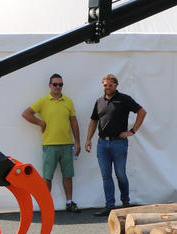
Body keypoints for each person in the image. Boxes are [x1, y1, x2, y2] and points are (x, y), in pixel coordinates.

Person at [85, 74, 147, 216]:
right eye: (105, 85)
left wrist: (132, 131)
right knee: (106, 176)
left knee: (120, 174)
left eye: (110, 85)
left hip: (118, 143)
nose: (107, 87)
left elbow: (142, 112)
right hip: (102, 144)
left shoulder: (124, 99)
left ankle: (125, 202)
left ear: (116, 85)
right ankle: (110, 206)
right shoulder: (99, 101)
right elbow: (94, 121)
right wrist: (88, 139)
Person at [21, 73, 82, 213]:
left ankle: (69, 202)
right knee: (47, 177)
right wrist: (40, 122)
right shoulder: (43, 101)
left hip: (67, 144)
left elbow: (74, 121)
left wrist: (77, 142)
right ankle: (46, 205)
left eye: (60, 84)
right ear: (50, 85)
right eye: (55, 84)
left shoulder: (68, 101)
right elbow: (26, 114)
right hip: (50, 145)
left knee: (68, 175)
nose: (58, 87)